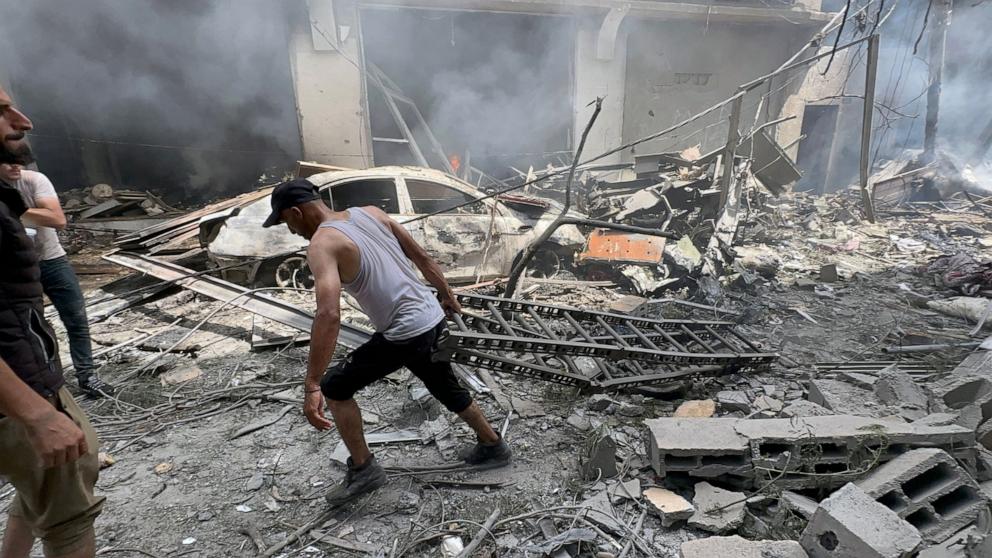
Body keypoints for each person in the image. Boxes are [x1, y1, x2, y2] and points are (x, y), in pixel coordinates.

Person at [262, 178, 511, 506]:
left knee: (335, 387)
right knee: (441, 382)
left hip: (405, 331)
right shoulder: (371, 213)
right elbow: (422, 256)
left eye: (286, 223)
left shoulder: (322, 244)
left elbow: (328, 314)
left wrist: (311, 384)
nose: (292, 231)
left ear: (295, 212)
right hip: (430, 317)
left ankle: (364, 470)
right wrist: (446, 295)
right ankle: (494, 445)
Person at [0, 87, 104, 558]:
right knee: (68, 511)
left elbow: (54, 222)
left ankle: (87, 373)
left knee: (46, 486)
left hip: (32, 372)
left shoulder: (21, 187)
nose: (23, 121)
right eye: (2, 111)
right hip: (19, 387)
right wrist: (37, 414)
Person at [0, 163, 115, 398]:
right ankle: (52, 386)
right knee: (33, 329)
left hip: (51, 260)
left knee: (76, 319)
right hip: (16, 269)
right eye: (7, 160)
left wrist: (14, 210)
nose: (15, 165)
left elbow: (57, 219)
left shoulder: (33, 180)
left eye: (18, 160)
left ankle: (87, 376)